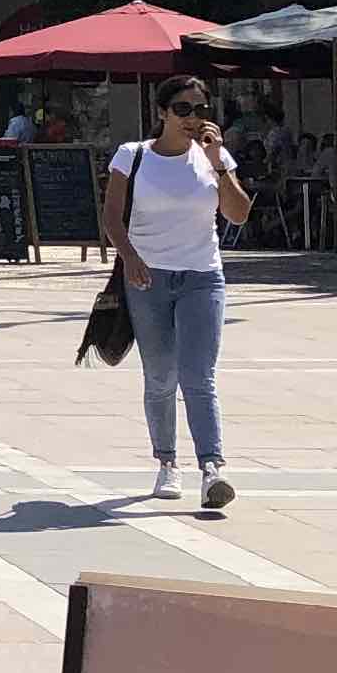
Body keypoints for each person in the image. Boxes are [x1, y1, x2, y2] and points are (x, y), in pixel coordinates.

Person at [102, 75, 256, 509]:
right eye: (183, 110)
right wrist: (129, 256)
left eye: (201, 110)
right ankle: (167, 461)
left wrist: (219, 163)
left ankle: (212, 470)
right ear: (163, 113)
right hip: (148, 278)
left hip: (203, 276)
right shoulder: (132, 157)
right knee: (160, 375)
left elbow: (238, 214)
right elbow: (112, 217)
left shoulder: (214, 157)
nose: (193, 119)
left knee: (198, 376)